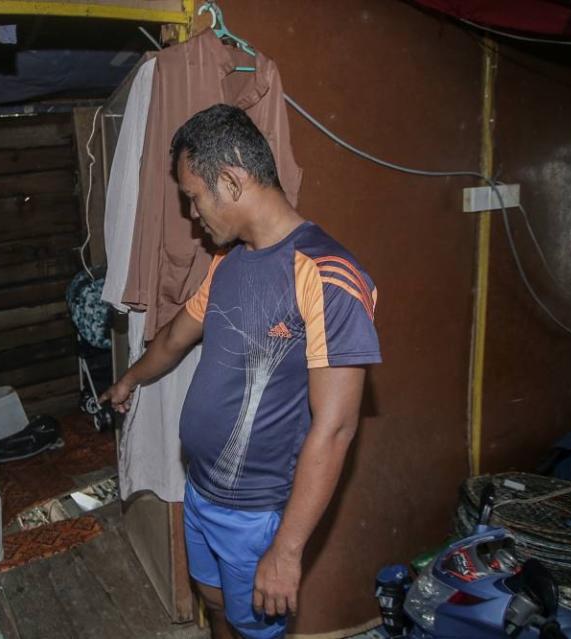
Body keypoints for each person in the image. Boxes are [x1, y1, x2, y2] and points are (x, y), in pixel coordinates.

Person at [101, 104, 381, 639]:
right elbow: (175, 339)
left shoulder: (327, 276)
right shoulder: (228, 264)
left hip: (256, 512)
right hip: (202, 490)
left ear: (230, 180)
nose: (193, 213)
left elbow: (337, 426)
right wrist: (130, 379)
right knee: (214, 603)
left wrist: (287, 548)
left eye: (194, 196)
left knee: (256, 628)